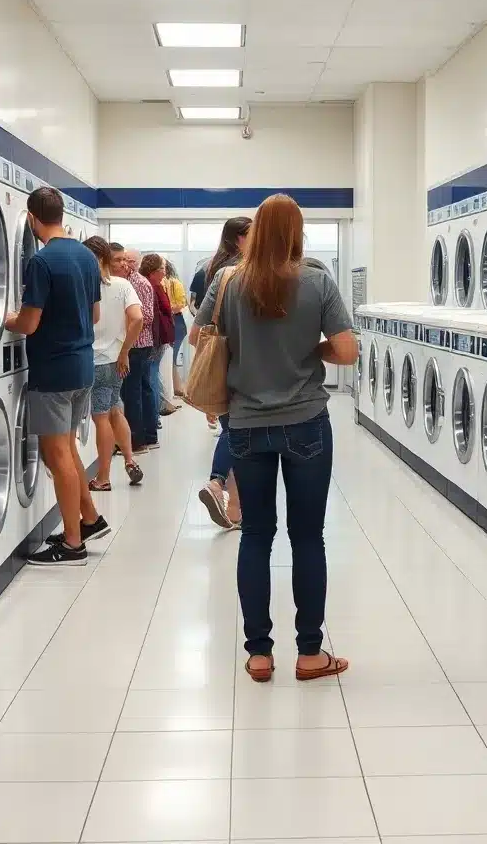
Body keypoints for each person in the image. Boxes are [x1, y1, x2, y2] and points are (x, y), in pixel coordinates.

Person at [193, 195, 357, 682]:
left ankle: (259, 654)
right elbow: (347, 351)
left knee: (256, 539)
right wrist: (308, 347)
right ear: (296, 232)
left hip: (245, 424)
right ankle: (310, 653)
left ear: (257, 230)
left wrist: (244, 347)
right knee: (308, 536)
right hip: (306, 421)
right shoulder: (316, 280)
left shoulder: (226, 281)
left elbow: (197, 339)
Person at [5, 186, 106, 566]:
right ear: (61, 214)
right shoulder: (85, 256)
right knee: (67, 449)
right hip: (82, 367)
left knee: (57, 453)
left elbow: (29, 323)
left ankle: (73, 543)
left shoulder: (42, 262)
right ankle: (90, 518)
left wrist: (4, 319)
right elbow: (94, 316)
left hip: (53, 370)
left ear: (32, 219)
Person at [195, 216, 252, 526]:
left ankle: (233, 508)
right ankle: (216, 484)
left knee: (234, 432)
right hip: (239, 360)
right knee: (238, 435)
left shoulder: (215, 267)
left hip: (219, 358)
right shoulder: (238, 270)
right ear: (239, 239)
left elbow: (201, 327)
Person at [84, 237, 144, 489]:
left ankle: (104, 478)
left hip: (93, 361)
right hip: (117, 361)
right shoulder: (122, 285)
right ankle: (130, 460)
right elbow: (138, 318)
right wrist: (124, 351)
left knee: (101, 419)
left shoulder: (85, 285)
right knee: (116, 411)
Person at [121, 249, 158, 452]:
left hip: (137, 344)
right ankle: (149, 437)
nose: (124, 264)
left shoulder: (138, 283)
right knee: (143, 390)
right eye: (122, 259)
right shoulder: (131, 282)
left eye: (128, 260)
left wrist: (125, 320)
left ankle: (137, 441)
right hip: (139, 344)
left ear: (135, 263)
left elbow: (147, 316)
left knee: (133, 392)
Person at [140, 253, 179, 419]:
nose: (165, 272)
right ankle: (154, 415)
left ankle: (154, 416)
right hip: (156, 338)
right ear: (153, 271)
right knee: (153, 374)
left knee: (152, 374)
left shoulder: (154, 286)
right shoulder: (153, 287)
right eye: (161, 268)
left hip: (157, 338)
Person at [165, 260, 188, 397]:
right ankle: (175, 387)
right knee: (170, 357)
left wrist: (167, 309)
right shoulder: (165, 284)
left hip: (176, 322)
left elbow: (181, 304)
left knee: (171, 357)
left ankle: (176, 387)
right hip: (173, 321)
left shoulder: (175, 284)